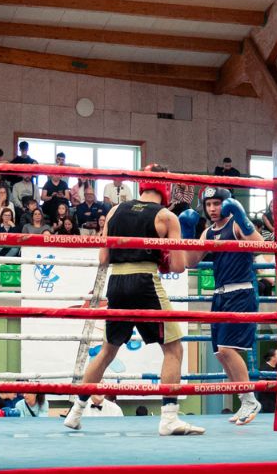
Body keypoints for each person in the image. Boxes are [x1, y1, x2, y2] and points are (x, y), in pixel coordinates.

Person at [63, 171, 203, 436]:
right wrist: (165, 255)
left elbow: (103, 258)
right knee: (174, 349)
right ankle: (169, 418)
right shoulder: (166, 217)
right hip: (145, 281)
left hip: (116, 283)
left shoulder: (115, 211)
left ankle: (76, 412)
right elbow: (178, 266)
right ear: (166, 190)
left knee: (107, 351)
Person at [195, 190, 264, 425]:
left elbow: (261, 245)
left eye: (217, 203)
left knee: (226, 349)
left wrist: (242, 217)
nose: (212, 208)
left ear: (226, 204)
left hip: (240, 292)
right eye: (208, 204)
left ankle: (250, 399)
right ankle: (244, 401)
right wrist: (186, 231)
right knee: (220, 353)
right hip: (219, 295)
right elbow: (190, 262)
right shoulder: (207, 232)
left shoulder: (236, 225)